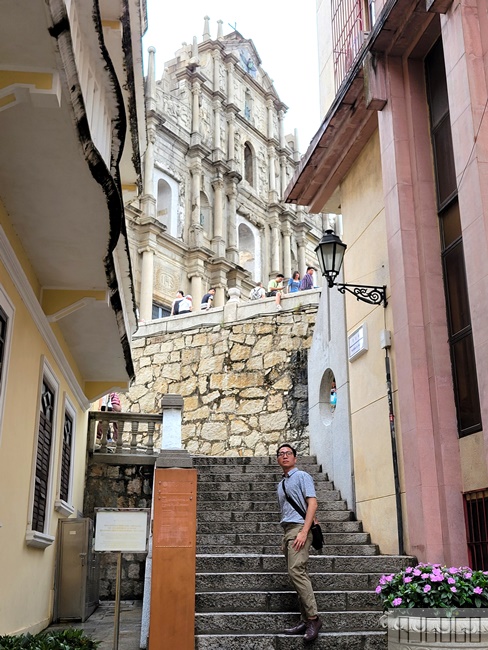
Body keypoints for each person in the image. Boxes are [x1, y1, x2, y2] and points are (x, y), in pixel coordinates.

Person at [276, 443, 322, 642]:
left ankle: (313, 619)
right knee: (297, 573)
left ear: (295, 458)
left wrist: (304, 531)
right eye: (281, 454)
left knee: (296, 571)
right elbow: (286, 511)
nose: (284, 456)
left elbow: (312, 503)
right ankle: (305, 619)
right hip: (288, 531)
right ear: (278, 460)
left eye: (288, 453)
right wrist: (285, 537)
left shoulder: (302, 476)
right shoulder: (281, 484)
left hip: (299, 529)